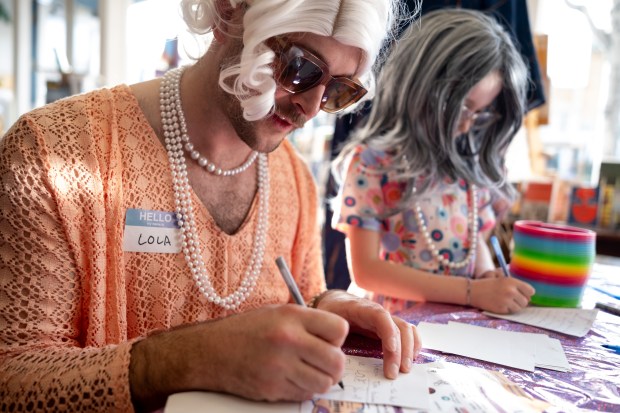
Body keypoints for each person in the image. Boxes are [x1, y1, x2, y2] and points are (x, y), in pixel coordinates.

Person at [0, 0, 422, 411]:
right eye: (300, 69)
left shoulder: (292, 176)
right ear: (227, 12)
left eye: (338, 89)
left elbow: (300, 294)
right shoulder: (52, 153)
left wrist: (327, 308)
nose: (311, 108)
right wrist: (188, 359)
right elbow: (12, 380)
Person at [331, 8, 536, 316]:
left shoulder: (466, 168)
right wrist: (472, 292)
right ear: (422, 85)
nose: (468, 124)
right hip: (392, 333)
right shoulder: (371, 164)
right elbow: (367, 272)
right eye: (463, 108)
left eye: (480, 113)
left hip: (456, 335)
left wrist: (486, 275)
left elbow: (474, 238)